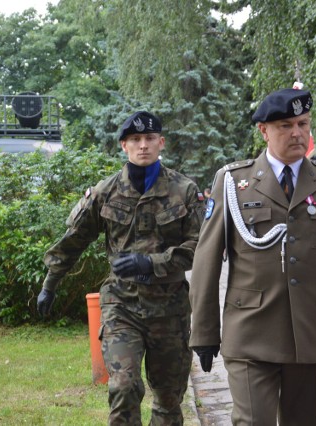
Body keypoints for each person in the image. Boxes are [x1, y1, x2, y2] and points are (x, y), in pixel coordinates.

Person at [188, 88, 316, 425]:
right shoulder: (234, 181)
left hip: (313, 334)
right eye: (285, 126)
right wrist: (204, 331)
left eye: (303, 124)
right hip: (251, 331)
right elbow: (207, 258)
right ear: (263, 130)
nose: (297, 133)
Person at [35, 111, 203, 425]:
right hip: (122, 305)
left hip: (170, 308)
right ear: (124, 145)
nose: (143, 146)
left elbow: (200, 248)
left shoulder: (184, 190)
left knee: (169, 400)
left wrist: (152, 263)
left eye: (150, 139)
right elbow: (74, 239)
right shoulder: (105, 192)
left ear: (160, 142)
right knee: (124, 386)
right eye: (136, 140)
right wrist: (50, 284)